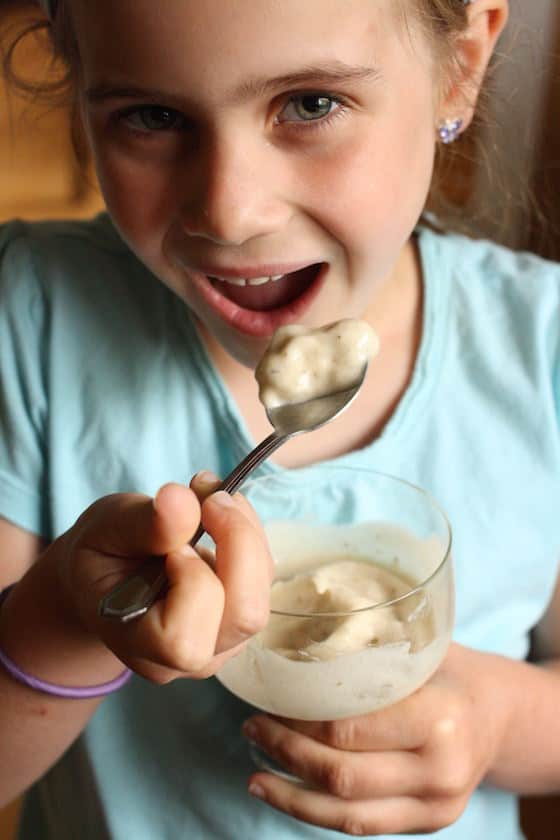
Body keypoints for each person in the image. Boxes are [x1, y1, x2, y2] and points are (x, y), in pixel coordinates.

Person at [1, 0, 559, 837]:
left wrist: (504, 726)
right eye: (152, 117)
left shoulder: (539, 350)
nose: (229, 211)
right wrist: (69, 620)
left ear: (462, 66)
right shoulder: (33, 321)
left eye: (310, 104)